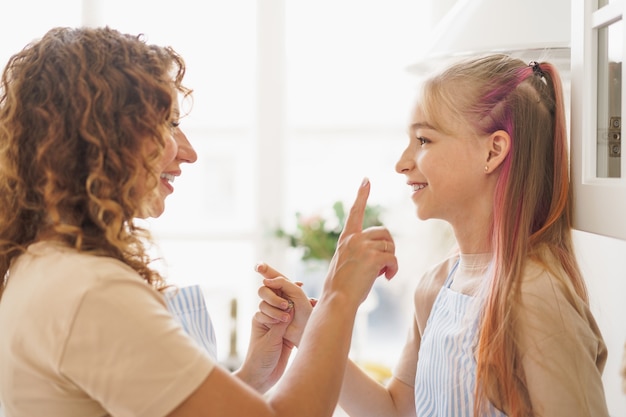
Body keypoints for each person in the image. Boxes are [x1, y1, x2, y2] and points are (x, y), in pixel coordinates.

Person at [0, 26, 398, 417]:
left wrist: (249, 380)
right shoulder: (92, 291)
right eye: (169, 125)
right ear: (104, 136)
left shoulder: (42, 266)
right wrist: (338, 298)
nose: (188, 153)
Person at [256, 53, 610, 416]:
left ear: (493, 150)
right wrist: (308, 332)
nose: (402, 162)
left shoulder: (536, 295)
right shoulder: (435, 286)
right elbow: (396, 410)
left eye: (423, 140)